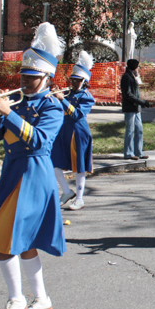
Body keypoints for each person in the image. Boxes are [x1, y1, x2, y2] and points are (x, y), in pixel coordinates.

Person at [0, 22, 66, 309]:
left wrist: (9, 113)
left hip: (35, 177)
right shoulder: (18, 103)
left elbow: (39, 142)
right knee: (22, 242)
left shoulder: (52, 108)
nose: (24, 81)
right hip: (13, 174)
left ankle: (17, 299)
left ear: (46, 78)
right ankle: (41, 298)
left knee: (5, 239)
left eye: (31, 77)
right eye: (23, 76)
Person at [52, 51, 96, 211]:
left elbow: (77, 115)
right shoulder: (67, 93)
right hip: (63, 131)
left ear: (84, 82)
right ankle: (66, 192)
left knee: (79, 166)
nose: (74, 83)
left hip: (78, 132)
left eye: (77, 80)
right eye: (72, 80)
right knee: (54, 163)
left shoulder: (87, 97)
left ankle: (79, 199)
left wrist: (62, 99)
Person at [120, 58, 148, 160]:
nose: (138, 68)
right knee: (130, 130)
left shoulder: (133, 76)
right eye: (138, 66)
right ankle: (128, 153)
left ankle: (138, 152)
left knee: (139, 130)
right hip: (130, 108)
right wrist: (141, 102)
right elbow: (128, 94)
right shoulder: (126, 77)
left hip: (136, 108)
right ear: (134, 67)